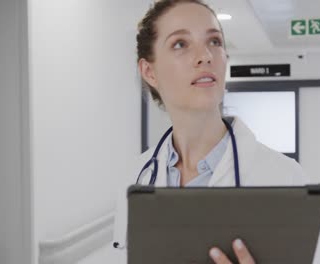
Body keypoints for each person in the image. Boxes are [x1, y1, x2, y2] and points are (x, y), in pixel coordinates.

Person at [113, 0, 309, 263]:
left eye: (214, 41)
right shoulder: (135, 176)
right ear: (149, 71)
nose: (205, 55)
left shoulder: (286, 179)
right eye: (180, 44)